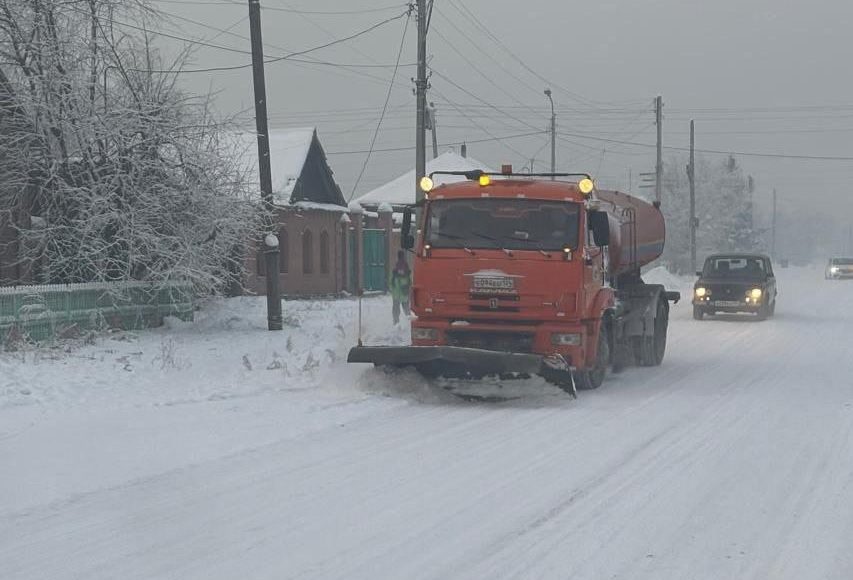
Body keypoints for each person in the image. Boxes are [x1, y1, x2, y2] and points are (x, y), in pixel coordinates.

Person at [389, 250, 411, 324]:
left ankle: (396, 321)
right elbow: (409, 279)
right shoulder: (406, 265)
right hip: (404, 291)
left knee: (396, 308)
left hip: (396, 291)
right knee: (406, 308)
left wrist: (392, 289)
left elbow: (391, 280)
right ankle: (408, 322)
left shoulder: (396, 265)